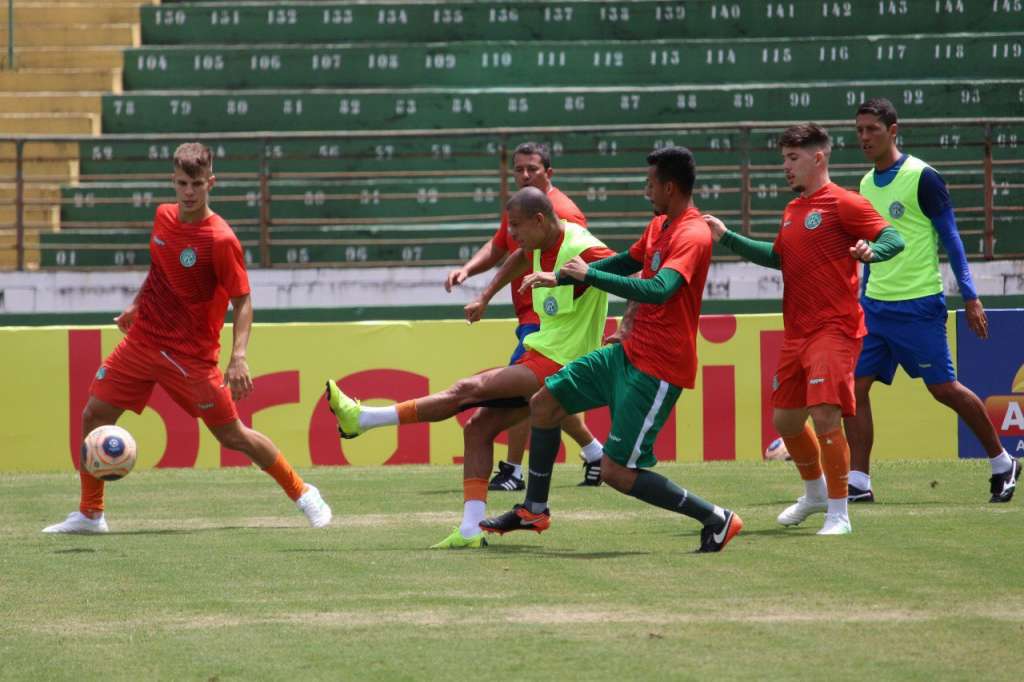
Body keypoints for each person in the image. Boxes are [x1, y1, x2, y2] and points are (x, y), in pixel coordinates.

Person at [43, 142, 332, 534]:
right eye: (182, 183)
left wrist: (239, 356)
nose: (189, 191)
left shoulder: (221, 239)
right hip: (142, 342)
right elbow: (159, 272)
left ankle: (304, 493)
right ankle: (91, 514)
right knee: (94, 414)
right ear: (173, 182)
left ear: (210, 181)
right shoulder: (163, 217)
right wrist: (137, 305)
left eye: (196, 183)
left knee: (233, 436)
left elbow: (243, 301)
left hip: (190, 358)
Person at [481, 146, 744, 553]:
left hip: (657, 367)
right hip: (626, 351)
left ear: (669, 187)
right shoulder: (659, 225)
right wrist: (562, 278)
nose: (646, 191)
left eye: (650, 184)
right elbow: (624, 263)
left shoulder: (691, 234)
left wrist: (589, 276)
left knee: (616, 473)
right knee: (545, 403)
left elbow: (660, 290)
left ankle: (716, 518)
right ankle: (534, 509)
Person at [326, 186, 616, 548]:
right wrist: (484, 296)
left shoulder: (580, 246)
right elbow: (519, 257)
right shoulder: (540, 244)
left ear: (540, 220)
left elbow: (627, 272)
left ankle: (363, 419)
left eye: (516, 227)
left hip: (563, 364)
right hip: (540, 353)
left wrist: (626, 329)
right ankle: (470, 529)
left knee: (467, 390)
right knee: (478, 428)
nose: (511, 235)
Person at [704, 123, 905, 536]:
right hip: (797, 332)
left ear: (819, 157)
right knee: (786, 422)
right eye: (783, 158)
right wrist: (727, 238)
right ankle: (814, 494)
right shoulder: (793, 209)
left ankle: (839, 512)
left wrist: (873, 251)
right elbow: (779, 258)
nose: (785, 166)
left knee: (825, 413)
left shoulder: (844, 202)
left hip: (835, 328)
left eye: (792, 158)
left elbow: (893, 238)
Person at [845, 98, 1019, 503]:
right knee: (853, 388)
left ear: (893, 130)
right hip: (875, 308)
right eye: (859, 131)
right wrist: (861, 294)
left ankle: (1001, 461)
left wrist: (971, 296)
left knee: (944, 389)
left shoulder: (923, 177)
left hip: (918, 306)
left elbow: (952, 239)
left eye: (872, 129)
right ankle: (858, 481)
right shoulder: (867, 183)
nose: (865, 137)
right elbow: (873, 244)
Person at [445, 142, 604, 491]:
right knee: (545, 397)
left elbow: (598, 263)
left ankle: (515, 470)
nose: (524, 175)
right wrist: (471, 275)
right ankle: (595, 454)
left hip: (551, 320)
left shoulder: (564, 213)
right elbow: (504, 249)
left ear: (549, 172)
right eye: (518, 169)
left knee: (523, 394)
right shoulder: (519, 207)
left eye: (532, 168)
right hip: (532, 316)